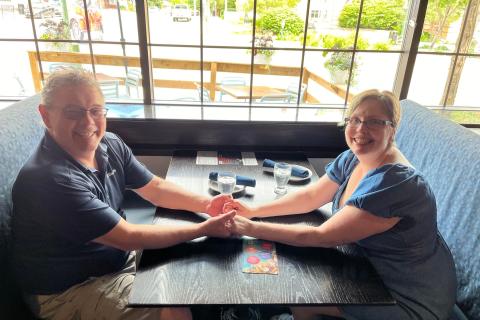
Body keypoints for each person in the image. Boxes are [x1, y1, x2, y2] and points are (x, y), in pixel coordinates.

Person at [11, 69, 235, 320]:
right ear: (46, 115)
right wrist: (203, 228)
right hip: (69, 289)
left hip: (116, 258)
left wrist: (206, 204)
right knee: (175, 310)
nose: (88, 123)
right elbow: (128, 237)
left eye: (96, 110)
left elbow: (155, 189)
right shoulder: (50, 180)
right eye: (73, 112)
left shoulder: (109, 144)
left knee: (199, 263)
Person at [225, 89, 457, 320]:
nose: (360, 129)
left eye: (374, 122)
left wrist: (249, 227)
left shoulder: (396, 183)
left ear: (392, 130)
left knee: (304, 298)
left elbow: (322, 237)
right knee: (293, 268)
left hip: (407, 295)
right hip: (367, 268)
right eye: (355, 119)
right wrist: (254, 211)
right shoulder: (354, 158)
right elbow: (311, 197)